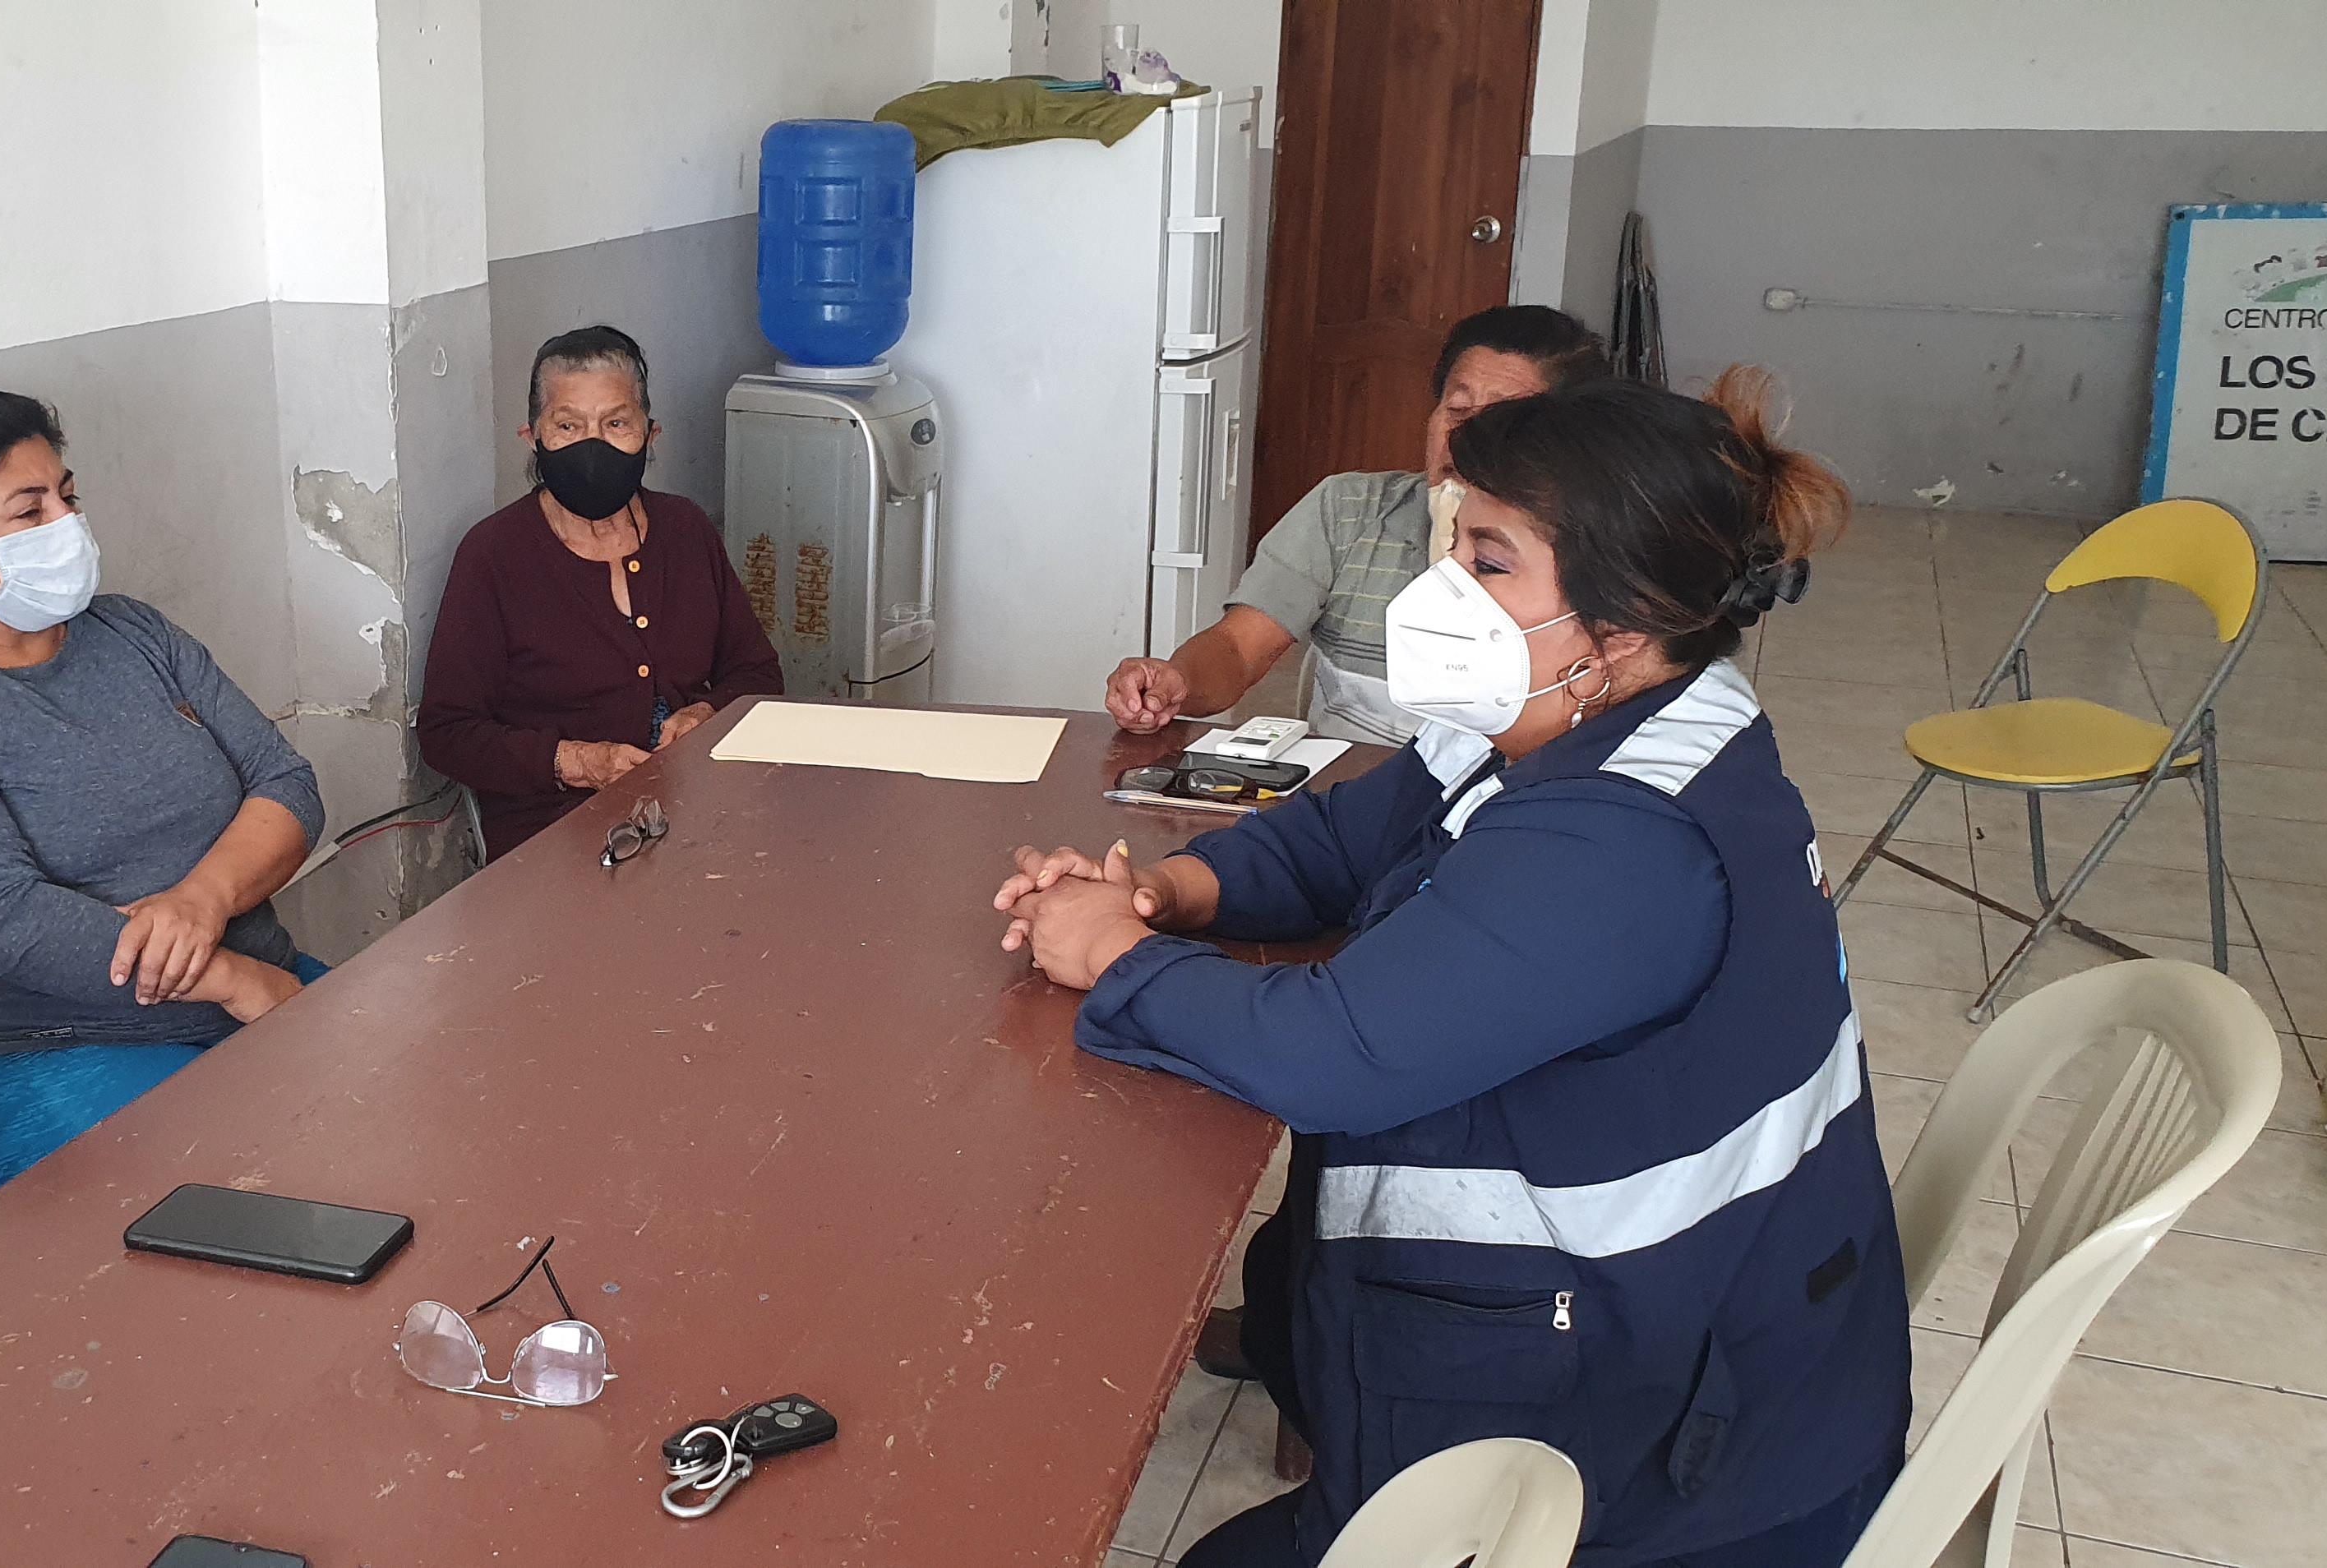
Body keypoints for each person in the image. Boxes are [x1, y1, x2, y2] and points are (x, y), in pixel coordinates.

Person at [997, 370, 1908, 1566]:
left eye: (1488, 561)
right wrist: (1163, 892)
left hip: (1667, 1471)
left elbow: (1340, 1055)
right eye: (1452, 543)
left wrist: (1117, 956)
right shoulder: (1577, 717)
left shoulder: (1628, 840)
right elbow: (1341, 840)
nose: (1442, 589)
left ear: (1624, 621)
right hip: (1658, 1353)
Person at [0, 383, 326, 1197]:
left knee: (448, 1101)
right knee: (281, 1198)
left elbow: (285, 783)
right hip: (45, 1053)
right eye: (29, 511)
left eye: (67, 498)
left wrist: (202, 901)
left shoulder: (132, 633)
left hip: (258, 993)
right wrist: (231, 979)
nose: (66, 526)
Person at [1106, 305, 1608, 745]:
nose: (1465, 439)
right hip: (1344, 798)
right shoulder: (1349, 510)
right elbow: (1239, 647)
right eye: (1456, 410)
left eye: (1501, 421)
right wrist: (1178, 681)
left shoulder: (1591, 552)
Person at [418, 326, 785, 856]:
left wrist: (705, 714)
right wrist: (575, 762)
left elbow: (757, 675)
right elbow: (448, 733)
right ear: (532, 436)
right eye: (568, 425)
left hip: (700, 807)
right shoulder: (494, 555)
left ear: (650, 434)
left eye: (616, 423)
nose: (594, 446)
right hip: (555, 836)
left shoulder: (685, 529)